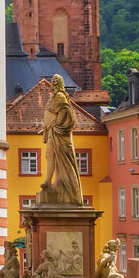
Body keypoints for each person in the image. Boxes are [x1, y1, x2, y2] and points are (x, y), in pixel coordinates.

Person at [40, 73, 83, 205]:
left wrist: (57, 125)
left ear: (60, 83)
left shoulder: (59, 95)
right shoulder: (53, 96)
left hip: (56, 131)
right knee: (50, 155)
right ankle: (50, 181)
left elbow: (65, 110)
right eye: (52, 80)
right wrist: (46, 127)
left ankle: (48, 181)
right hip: (51, 130)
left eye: (56, 81)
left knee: (52, 155)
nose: (53, 82)